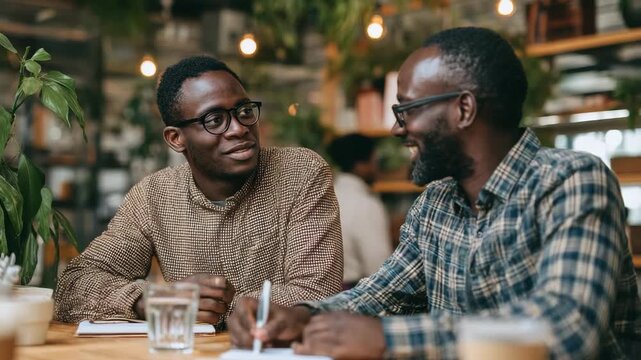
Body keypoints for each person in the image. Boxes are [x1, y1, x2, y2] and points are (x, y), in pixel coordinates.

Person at [228, 27, 641, 359]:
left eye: (406, 110)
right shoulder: (435, 204)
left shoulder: (570, 181)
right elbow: (380, 296)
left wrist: (388, 339)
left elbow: (565, 329)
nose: (396, 129)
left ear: (463, 109)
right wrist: (301, 317)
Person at [54, 56, 343, 325]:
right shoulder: (154, 196)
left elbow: (318, 295)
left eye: (243, 111)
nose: (239, 128)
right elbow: (74, 286)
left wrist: (221, 305)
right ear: (176, 138)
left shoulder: (299, 172)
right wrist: (152, 299)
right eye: (215, 120)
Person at [327, 134, 392, 289]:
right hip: (353, 296)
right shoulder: (365, 204)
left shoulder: (326, 197)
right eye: (374, 161)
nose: (377, 168)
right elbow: (379, 268)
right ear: (360, 164)